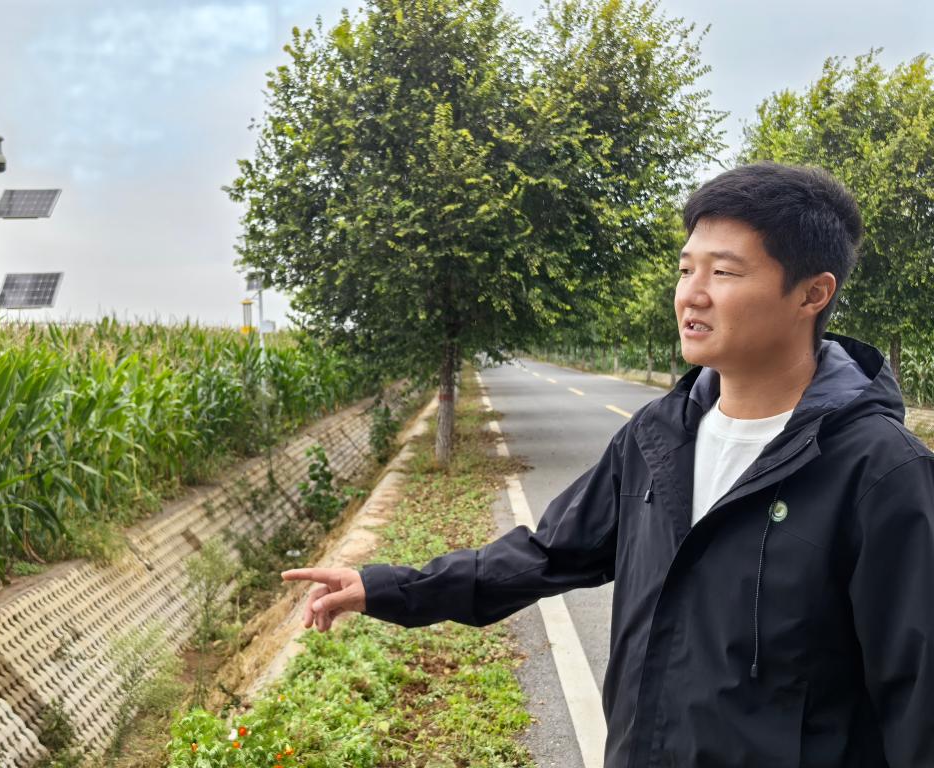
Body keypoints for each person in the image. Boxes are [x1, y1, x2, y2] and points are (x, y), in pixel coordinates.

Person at [282, 162, 934, 767]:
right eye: (686, 269)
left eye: (724, 273)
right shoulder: (658, 437)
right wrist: (390, 587)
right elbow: (546, 553)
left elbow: (917, 697)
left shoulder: (880, 472)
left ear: (812, 293)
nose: (692, 295)